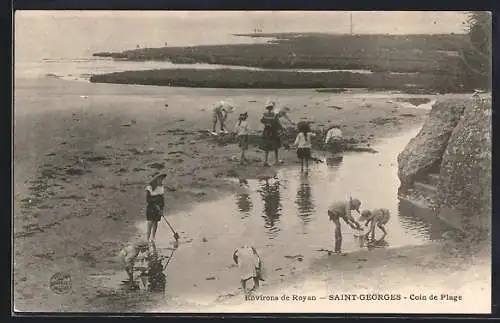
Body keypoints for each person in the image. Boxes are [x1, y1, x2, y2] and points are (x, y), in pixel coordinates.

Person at [260, 100, 283, 166]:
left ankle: (266, 161)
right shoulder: (274, 114)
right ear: (272, 108)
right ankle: (276, 161)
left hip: (266, 131)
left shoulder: (264, 114)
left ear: (267, 108)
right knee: (276, 146)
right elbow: (277, 123)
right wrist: (281, 129)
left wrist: (267, 124)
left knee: (267, 147)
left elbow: (262, 121)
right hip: (273, 131)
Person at [145, 173, 166, 242]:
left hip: (158, 208)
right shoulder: (150, 187)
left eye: (162, 179)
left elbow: (162, 199)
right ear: (156, 179)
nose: (161, 181)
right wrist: (154, 204)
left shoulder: (161, 187)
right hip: (151, 208)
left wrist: (162, 209)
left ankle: (153, 238)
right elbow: (147, 199)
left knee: (156, 222)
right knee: (150, 222)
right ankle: (147, 238)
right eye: (160, 179)